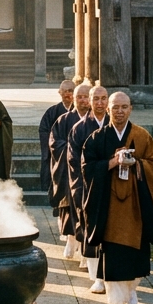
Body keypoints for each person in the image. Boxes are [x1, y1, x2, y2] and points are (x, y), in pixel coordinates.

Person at [82, 91, 153, 304]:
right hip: (110, 209)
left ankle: (131, 290)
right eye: (115, 107)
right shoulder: (97, 138)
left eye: (124, 107)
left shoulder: (142, 136)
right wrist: (112, 162)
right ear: (107, 109)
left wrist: (136, 164)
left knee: (136, 256)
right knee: (115, 257)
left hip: (136, 207)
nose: (119, 111)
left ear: (131, 109)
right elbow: (87, 169)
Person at [68, 83, 110, 292]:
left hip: (113, 188)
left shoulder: (116, 126)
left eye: (104, 99)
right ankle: (97, 277)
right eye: (96, 99)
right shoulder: (79, 129)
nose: (100, 103)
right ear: (90, 102)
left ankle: (112, 274)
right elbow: (74, 164)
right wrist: (82, 190)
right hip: (88, 187)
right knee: (91, 230)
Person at [49, 82, 90, 258]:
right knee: (70, 205)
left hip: (89, 171)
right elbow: (54, 143)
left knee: (87, 207)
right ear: (73, 98)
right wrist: (72, 149)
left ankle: (85, 247)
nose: (82, 100)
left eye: (85, 96)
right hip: (69, 171)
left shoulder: (96, 120)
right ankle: (71, 239)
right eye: (79, 96)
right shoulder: (64, 120)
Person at [39, 80, 75, 193]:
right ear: (59, 93)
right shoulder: (52, 112)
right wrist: (57, 145)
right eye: (64, 91)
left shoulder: (81, 111)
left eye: (70, 91)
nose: (67, 94)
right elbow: (44, 130)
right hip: (57, 152)